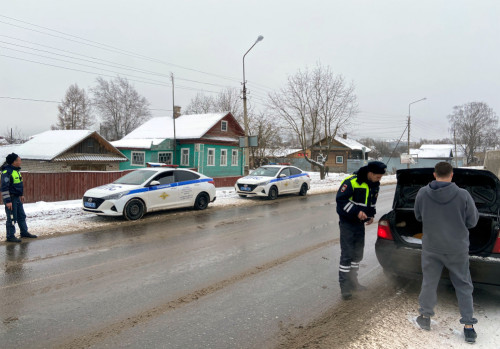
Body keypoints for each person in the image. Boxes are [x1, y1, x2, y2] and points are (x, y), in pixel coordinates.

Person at [414, 162, 478, 343]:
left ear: (435, 175)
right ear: (452, 175)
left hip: (432, 247)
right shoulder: (463, 195)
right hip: (457, 249)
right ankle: (468, 327)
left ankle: (425, 318)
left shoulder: (422, 193)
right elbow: (472, 221)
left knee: (429, 282)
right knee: (464, 285)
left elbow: (418, 216)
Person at [336, 160, 386, 300]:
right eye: (377, 176)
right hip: (347, 222)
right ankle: (345, 287)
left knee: (357, 254)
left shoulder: (374, 184)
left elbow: (371, 202)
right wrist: (356, 212)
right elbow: (341, 201)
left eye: (381, 177)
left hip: (359, 224)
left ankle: (353, 282)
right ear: (370, 173)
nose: (379, 179)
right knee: (347, 254)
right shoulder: (351, 182)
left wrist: (370, 215)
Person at [1, 153, 37, 242]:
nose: (21, 162)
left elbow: (18, 185)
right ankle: (10, 236)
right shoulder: (7, 172)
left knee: (21, 216)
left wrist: (21, 194)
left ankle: (24, 232)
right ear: (14, 162)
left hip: (17, 197)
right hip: (11, 198)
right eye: (19, 160)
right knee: (12, 217)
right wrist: (8, 201)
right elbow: (4, 188)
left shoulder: (16, 171)